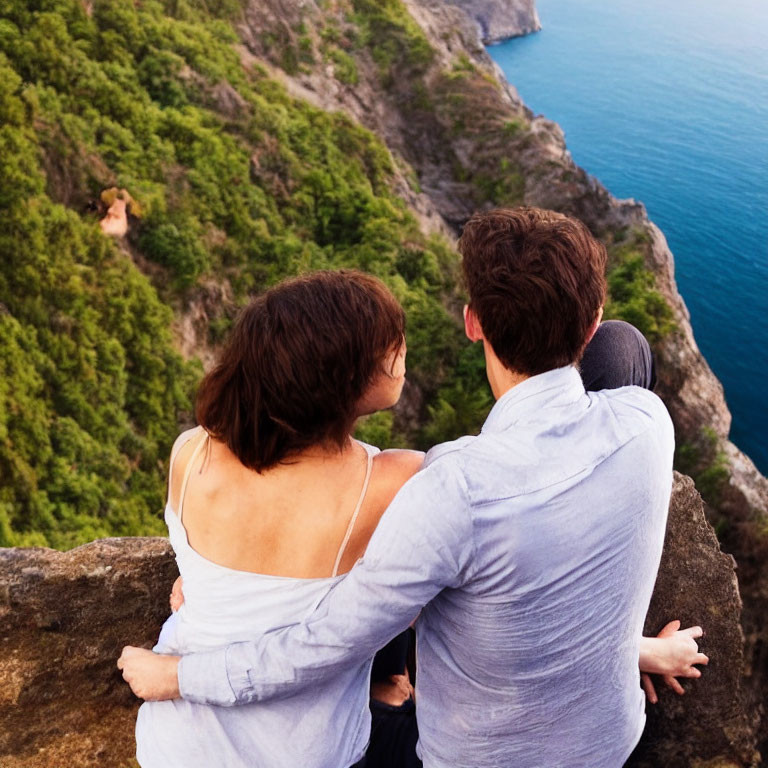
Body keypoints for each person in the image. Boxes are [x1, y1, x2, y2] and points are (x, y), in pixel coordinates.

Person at [120, 209, 708, 767]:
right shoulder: (648, 422)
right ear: (592, 318)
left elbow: (322, 645)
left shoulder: (445, 490)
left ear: (473, 321)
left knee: (419, 599)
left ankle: (392, 689)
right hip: (611, 742)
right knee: (626, 349)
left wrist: (176, 674)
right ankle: (396, 684)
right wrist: (628, 648)